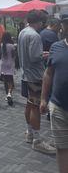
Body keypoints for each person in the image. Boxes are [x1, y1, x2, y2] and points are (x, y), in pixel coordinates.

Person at [18, 10, 55, 155]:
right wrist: (45, 55)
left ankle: (30, 132)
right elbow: (35, 56)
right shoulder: (34, 35)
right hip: (35, 75)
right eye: (42, 22)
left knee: (29, 104)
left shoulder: (23, 32)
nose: (43, 25)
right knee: (35, 106)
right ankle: (37, 140)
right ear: (38, 21)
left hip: (26, 73)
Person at [40, 14, 68, 173]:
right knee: (62, 148)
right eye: (66, 23)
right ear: (62, 26)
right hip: (58, 107)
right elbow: (48, 74)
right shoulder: (56, 47)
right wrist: (44, 99)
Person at [0, 32, 16, 106]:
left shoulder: (1, 45)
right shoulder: (11, 46)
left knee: (5, 81)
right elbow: (13, 55)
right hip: (10, 63)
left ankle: (7, 94)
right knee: (11, 81)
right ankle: (9, 93)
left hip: (3, 64)